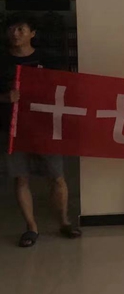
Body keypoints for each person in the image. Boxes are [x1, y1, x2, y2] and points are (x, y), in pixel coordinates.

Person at [0, 14, 82, 247]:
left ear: (32, 33)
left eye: (21, 28)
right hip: (13, 129)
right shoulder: (2, 62)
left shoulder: (49, 60)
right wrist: (5, 98)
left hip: (46, 127)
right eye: (11, 29)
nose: (15, 33)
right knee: (21, 177)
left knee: (57, 176)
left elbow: (66, 88)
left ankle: (64, 221)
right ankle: (31, 227)